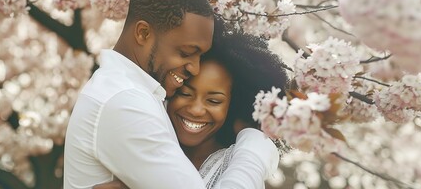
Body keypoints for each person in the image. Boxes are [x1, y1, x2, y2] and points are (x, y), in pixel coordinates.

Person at [63, 0, 279, 189]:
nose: (194, 68)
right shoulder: (126, 102)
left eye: (199, 56)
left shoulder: (130, 92)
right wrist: (255, 149)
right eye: (186, 52)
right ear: (143, 33)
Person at [95, 18, 289, 189]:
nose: (196, 110)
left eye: (214, 101)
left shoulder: (235, 164)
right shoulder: (139, 142)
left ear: (233, 104)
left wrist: (254, 145)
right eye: (185, 93)